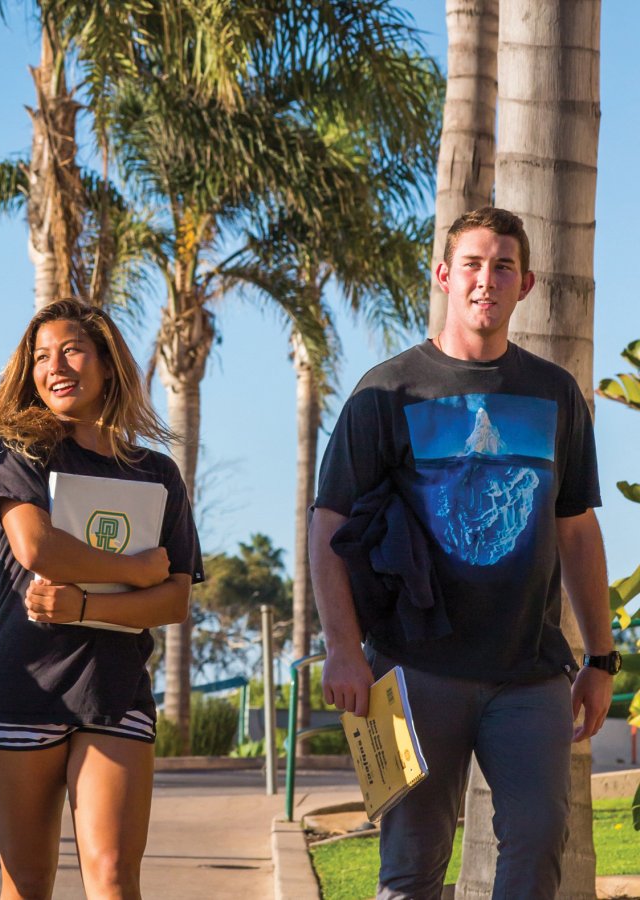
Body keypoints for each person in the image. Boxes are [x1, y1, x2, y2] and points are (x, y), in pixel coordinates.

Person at [311, 207, 615, 899]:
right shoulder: (386, 393)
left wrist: (600, 657)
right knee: (412, 868)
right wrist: (343, 648)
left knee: (539, 844)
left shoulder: (554, 393)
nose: (487, 279)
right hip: (412, 669)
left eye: (503, 266)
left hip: (527, 672)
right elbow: (328, 525)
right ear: (445, 276)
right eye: (473, 264)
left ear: (526, 283)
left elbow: (576, 530)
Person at [0, 299, 201, 899]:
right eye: (41, 356)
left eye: (71, 349)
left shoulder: (157, 473)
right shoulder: (17, 453)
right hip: (22, 692)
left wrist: (86, 609)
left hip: (114, 691)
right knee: (30, 881)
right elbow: (37, 547)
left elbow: (174, 601)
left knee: (115, 875)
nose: (56, 366)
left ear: (107, 364)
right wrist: (135, 569)